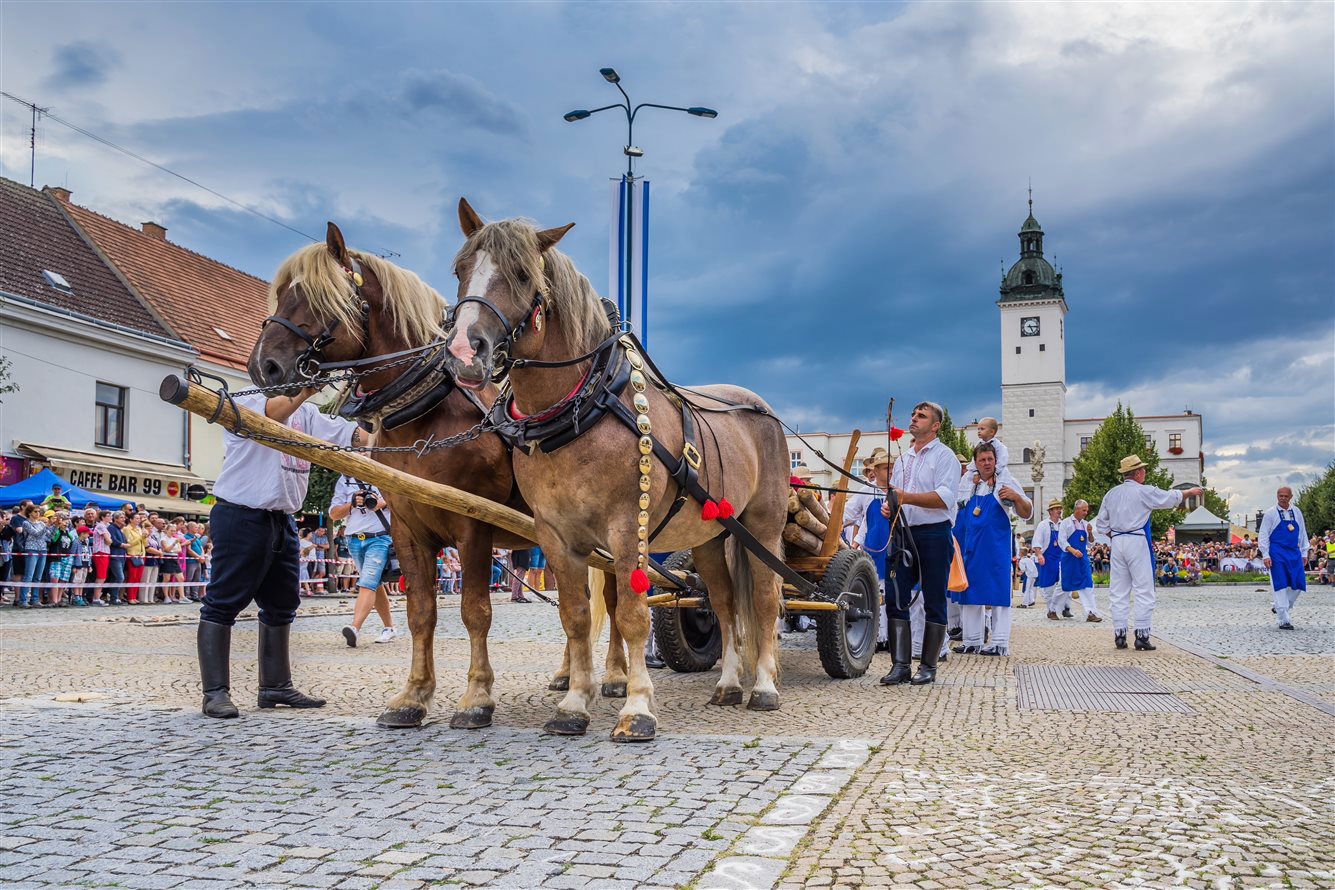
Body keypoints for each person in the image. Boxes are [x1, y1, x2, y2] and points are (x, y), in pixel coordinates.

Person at [197, 389, 364, 719]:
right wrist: (306, 390)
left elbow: (349, 434)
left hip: (282, 517)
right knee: (223, 601)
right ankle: (214, 693)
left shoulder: (309, 413)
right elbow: (273, 414)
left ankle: (275, 686)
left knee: (282, 604)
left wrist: (384, 432)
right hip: (240, 514)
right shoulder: (246, 401)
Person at [878, 401, 959, 687]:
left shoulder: (944, 456)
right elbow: (898, 497)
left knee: (934, 599)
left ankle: (928, 666)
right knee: (895, 595)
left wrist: (906, 497)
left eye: (921, 416)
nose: (914, 419)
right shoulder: (902, 460)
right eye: (913, 414)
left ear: (935, 425)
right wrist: (890, 507)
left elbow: (944, 497)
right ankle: (900, 665)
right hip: (903, 532)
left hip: (934, 533)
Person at [1094, 455, 1201, 650]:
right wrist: (1189, 492)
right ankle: (1142, 635)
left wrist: (1115, 536)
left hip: (1117, 540)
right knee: (1143, 588)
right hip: (1136, 539)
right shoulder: (1144, 491)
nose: (1145, 472)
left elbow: (1101, 524)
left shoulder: (1111, 494)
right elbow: (1169, 498)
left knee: (1118, 589)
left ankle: (1119, 634)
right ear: (1136, 473)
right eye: (1142, 469)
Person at [951, 442, 1031, 655]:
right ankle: (972, 640)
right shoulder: (967, 483)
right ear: (975, 463)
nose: (987, 463)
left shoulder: (1006, 481)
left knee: (998, 592)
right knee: (969, 592)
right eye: (982, 460)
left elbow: (1027, 512)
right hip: (970, 546)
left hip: (995, 548)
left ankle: (1000, 641)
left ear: (996, 461)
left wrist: (1016, 497)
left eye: (990, 459)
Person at [329, 475, 399, 647]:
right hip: (353, 540)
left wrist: (384, 503)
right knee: (375, 583)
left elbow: (405, 502)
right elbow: (333, 514)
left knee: (367, 581)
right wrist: (352, 503)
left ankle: (354, 628)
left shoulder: (385, 473)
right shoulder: (345, 480)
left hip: (380, 538)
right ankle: (390, 628)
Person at [1258, 486, 1308, 630]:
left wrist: (1304, 552)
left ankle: (1280, 606)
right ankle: (1283, 619)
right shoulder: (1270, 513)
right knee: (1280, 584)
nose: (1283, 498)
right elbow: (1263, 535)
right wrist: (1266, 554)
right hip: (1277, 552)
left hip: (1293, 552)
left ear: (1291, 497)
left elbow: (1303, 533)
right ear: (1277, 496)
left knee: (1298, 583)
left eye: (1286, 496)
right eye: (1280, 495)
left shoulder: (1297, 512)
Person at [1058, 500, 1101, 622]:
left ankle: (1091, 613)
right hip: (1069, 559)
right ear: (1076, 509)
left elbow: (1091, 542)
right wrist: (1073, 551)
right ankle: (1053, 609)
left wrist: (1090, 532)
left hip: (1082, 559)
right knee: (1064, 585)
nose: (1086, 513)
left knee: (1087, 584)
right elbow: (1062, 541)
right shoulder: (1066, 523)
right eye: (1084, 510)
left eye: (1087, 510)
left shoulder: (1085, 524)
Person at [1031, 499, 1065, 620]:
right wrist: (1039, 554)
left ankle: (1065, 607)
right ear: (1050, 511)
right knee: (1048, 585)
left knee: (1064, 582)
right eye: (1056, 509)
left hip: (1062, 557)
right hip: (1048, 558)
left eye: (1060, 508)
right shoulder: (1043, 524)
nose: (1059, 511)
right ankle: (1051, 610)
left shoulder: (1063, 524)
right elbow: (1037, 541)